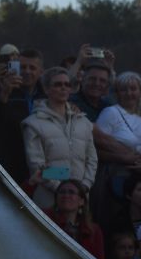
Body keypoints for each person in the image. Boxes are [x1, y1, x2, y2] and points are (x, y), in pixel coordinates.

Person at [22, 65, 96, 210]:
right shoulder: (33, 123)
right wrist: (64, 190)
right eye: (58, 84)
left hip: (81, 199)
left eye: (67, 84)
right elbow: (37, 166)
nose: (63, 88)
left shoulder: (83, 122)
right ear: (46, 89)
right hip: (49, 199)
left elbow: (92, 160)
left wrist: (84, 187)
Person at [93, 71, 141, 211]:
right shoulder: (110, 112)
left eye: (133, 89)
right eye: (124, 89)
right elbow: (94, 147)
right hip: (113, 178)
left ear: (140, 92)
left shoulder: (140, 119)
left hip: (138, 181)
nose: (129, 93)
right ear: (117, 93)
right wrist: (122, 157)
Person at [0, 45, 38, 189]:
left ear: (41, 71)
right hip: (11, 173)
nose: (27, 72)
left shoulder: (49, 96)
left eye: (32, 68)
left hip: (46, 176)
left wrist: (57, 179)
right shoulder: (0, 94)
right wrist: (3, 94)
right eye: (22, 67)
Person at [50, 181, 103, 259]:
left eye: (71, 192)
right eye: (62, 192)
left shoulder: (94, 230)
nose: (66, 195)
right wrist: (31, 183)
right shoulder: (46, 219)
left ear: (81, 201)